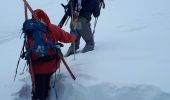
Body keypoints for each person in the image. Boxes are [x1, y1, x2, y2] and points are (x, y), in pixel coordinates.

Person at [30, 9, 77, 100]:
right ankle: (45, 92)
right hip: (51, 64)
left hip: (34, 67)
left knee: (38, 88)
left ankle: (38, 95)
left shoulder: (29, 31)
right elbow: (68, 38)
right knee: (45, 80)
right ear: (45, 17)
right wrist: (74, 34)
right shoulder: (52, 28)